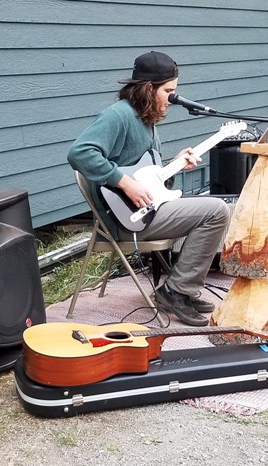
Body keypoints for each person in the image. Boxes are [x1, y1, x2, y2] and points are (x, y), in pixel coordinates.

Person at [67, 51, 230, 327]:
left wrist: (176, 165)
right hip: (124, 220)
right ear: (147, 89)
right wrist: (124, 182)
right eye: (168, 91)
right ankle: (176, 291)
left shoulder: (146, 121)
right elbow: (80, 153)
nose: (173, 98)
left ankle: (183, 289)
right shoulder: (118, 116)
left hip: (147, 210)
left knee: (212, 208)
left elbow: (148, 177)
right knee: (216, 210)